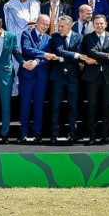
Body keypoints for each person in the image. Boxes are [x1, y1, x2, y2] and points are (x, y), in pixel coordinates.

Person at [79, 14, 109, 145]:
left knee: (106, 107)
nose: (99, 26)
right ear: (93, 24)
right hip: (92, 77)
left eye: (101, 23)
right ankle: (92, 135)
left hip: (108, 77)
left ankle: (105, 135)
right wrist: (108, 56)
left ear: (106, 24)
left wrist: (103, 57)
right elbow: (91, 52)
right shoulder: (88, 38)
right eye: (96, 23)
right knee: (92, 106)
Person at [18, 15, 55, 143]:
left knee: (39, 105)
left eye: (47, 24)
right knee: (25, 104)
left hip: (41, 76)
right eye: (43, 23)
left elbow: (49, 58)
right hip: (27, 76)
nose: (45, 26)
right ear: (37, 23)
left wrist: (37, 61)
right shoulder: (27, 34)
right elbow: (26, 49)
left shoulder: (49, 39)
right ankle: (23, 133)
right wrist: (43, 55)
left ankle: (37, 133)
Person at [47, 15, 84, 143]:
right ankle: (54, 134)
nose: (60, 28)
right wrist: (76, 55)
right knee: (55, 105)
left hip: (73, 76)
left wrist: (75, 56)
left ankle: (72, 133)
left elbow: (76, 53)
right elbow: (59, 51)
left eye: (62, 26)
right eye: (59, 26)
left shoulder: (79, 37)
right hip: (58, 76)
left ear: (70, 26)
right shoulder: (55, 37)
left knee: (73, 106)